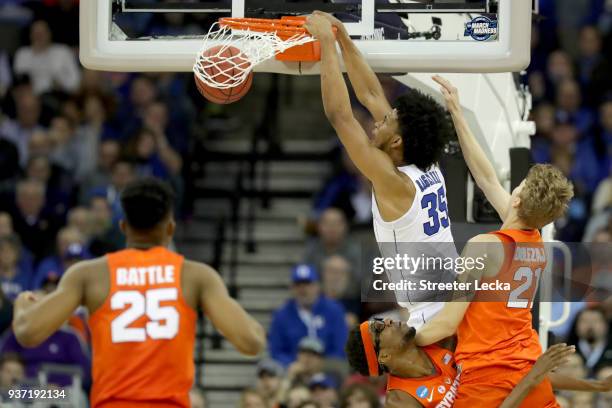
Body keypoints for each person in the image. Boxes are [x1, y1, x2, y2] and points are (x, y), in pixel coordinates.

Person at [12, 178, 266, 407]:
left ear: (123, 226)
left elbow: (27, 333)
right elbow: (251, 342)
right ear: (170, 228)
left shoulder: (89, 275)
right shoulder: (195, 276)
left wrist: (23, 304)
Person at [413, 76, 575, 407]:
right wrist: (457, 111)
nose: (513, 187)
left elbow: (447, 323)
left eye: (519, 185)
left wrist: (397, 341)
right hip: (530, 376)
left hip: (488, 378)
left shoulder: (484, 246)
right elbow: (486, 177)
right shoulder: (536, 241)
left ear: (517, 199)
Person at [304, 13, 457, 328]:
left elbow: (340, 116)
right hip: (450, 300)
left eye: (387, 121)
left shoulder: (395, 181)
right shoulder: (427, 161)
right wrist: (345, 39)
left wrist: (328, 45)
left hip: (431, 316)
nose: (378, 120)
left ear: (398, 140)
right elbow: (372, 95)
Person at [346, 318, 612, 407]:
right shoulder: (400, 400)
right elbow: (528, 378)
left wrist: (598, 386)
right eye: (380, 329)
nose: (389, 321)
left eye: (382, 320)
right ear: (384, 357)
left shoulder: (441, 344)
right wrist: (533, 375)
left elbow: (506, 378)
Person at [268, 264, 348, 366]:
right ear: (292, 288)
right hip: (293, 370)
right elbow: (276, 351)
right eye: (298, 285)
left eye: (307, 284)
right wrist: (293, 364)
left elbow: (340, 347)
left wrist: (320, 366)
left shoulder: (334, 310)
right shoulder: (281, 315)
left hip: (328, 370)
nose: (303, 289)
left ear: (317, 286)